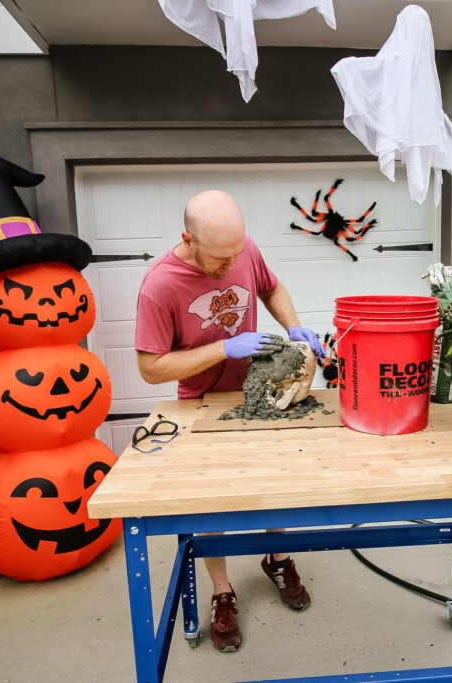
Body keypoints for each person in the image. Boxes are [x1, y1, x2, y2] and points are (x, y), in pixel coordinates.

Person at [134, 189, 326, 653]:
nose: (229, 266)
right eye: (219, 260)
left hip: (262, 396)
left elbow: (270, 287)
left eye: (235, 256)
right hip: (202, 404)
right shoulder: (159, 285)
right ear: (188, 239)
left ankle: (278, 560)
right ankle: (222, 592)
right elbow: (150, 366)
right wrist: (222, 347)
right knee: (212, 508)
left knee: (275, 487)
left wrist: (294, 326)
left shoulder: (243, 248)